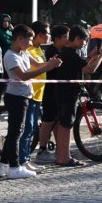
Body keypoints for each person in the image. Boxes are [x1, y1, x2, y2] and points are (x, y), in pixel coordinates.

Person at [0, 24, 61, 179]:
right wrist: (47, 67)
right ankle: (15, 167)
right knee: (16, 132)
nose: (30, 43)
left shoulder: (23, 53)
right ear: (19, 38)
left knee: (15, 132)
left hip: (24, 96)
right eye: (28, 40)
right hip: (16, 97)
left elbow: (37, 65)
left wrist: (50, 63)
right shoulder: (10, 55)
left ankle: (2, 165)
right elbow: (23, 76)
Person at [54, 26, 102, 166]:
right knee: (66, 125)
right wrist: (101, 56)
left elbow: (83, 63)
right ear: (76, 39)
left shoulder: (69, 51)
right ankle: (64, 157)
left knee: (64, 124)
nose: (86, 43)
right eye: (85, 40)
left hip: (64, 91)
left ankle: (62, 155)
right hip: (68, 93)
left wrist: (91, 56)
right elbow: (90, 69)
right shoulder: (70, 52)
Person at [18, 21, 51, 173]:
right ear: (39, 35)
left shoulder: (38, 49)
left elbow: (41, 66)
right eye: (47, 33)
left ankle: (26, 158)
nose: (49, 35)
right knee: (27, 129)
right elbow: (34, 69)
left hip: (39, 94)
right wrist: (48, 65)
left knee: (31, 129)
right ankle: (22, 159)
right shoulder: (28, 50)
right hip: (29, 93)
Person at [34, 24, 69, 164]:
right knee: (48, 121)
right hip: (49, 90)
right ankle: (42, 150)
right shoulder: (51, 51)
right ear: (57, 38)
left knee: (57, 120)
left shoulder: (64, 50)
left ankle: (60, 148)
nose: (67, 39)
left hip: (58, 91)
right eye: (65, 37)